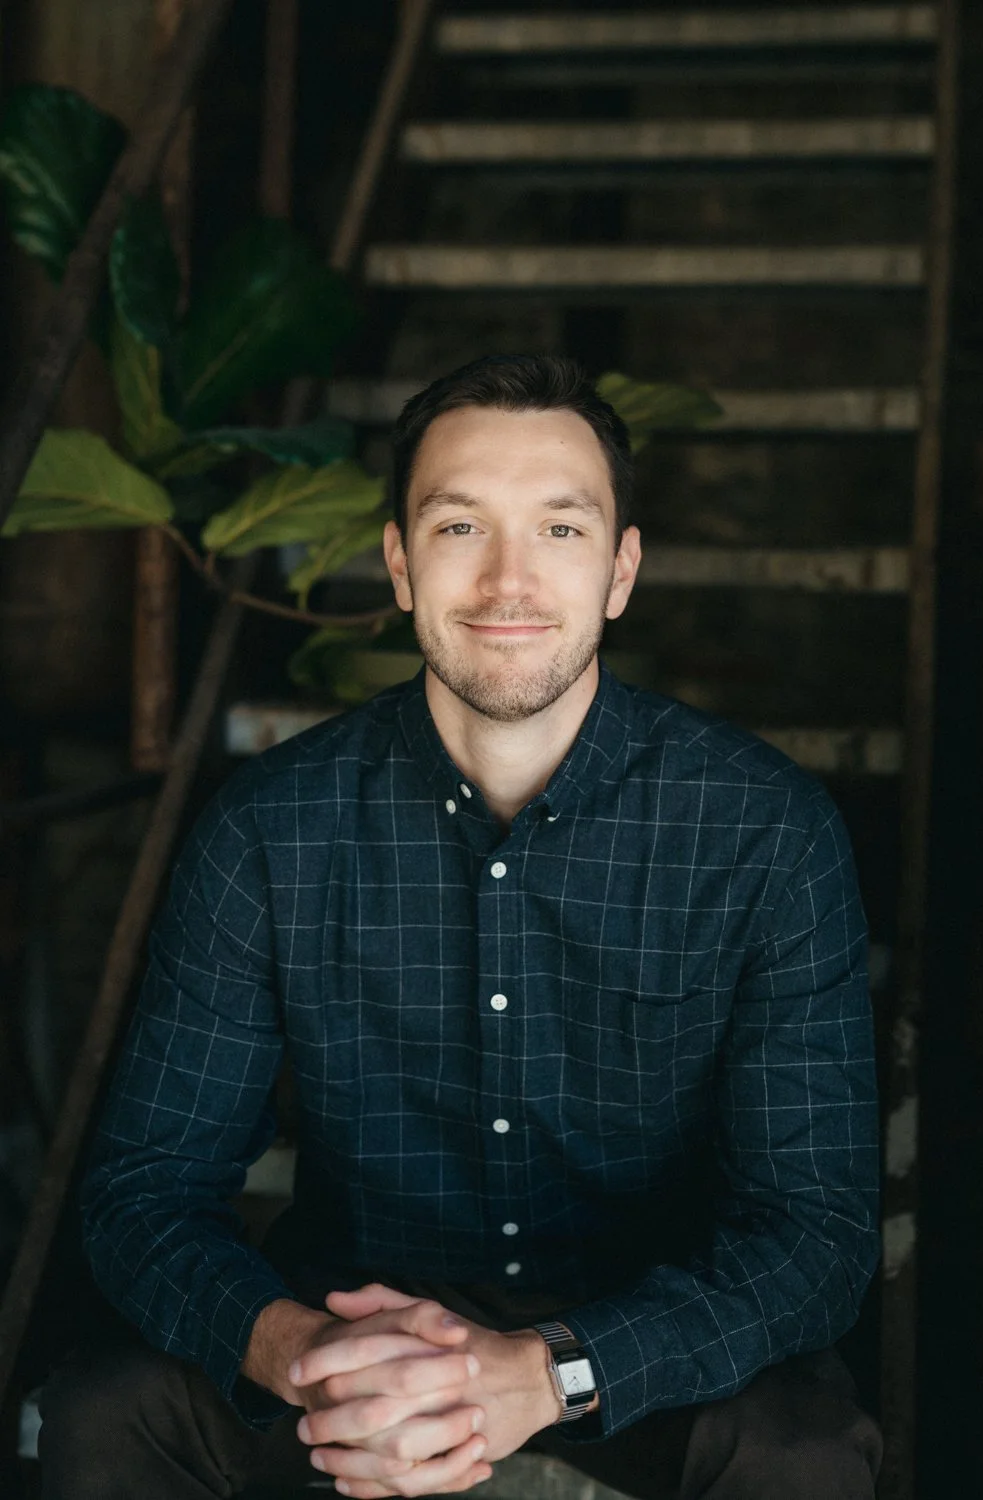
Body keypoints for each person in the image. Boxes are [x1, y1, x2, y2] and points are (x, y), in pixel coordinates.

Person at [39, 355, 883, 1499]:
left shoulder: (765, 831)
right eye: (456, 527)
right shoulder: (268, 832)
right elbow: (142, 1192)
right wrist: (297, 1350)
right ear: (396, 561)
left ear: (622, 570)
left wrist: (548, 1371)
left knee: (800, 1455)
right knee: (106, 1415)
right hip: (356, 1331)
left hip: (642, 1340)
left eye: (561, 531)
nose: (506, 580)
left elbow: (817, 1236)